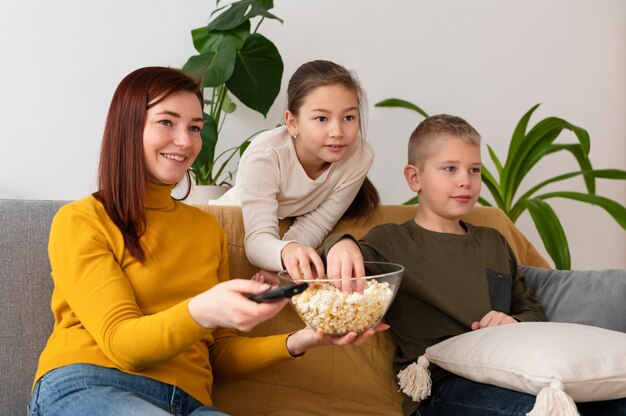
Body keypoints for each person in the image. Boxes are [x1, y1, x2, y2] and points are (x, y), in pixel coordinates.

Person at [27, 66, 386, 416]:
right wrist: (203, 308)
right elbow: (124, 345)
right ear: (128, 126)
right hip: (91, 385)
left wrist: (303, 339)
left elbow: (220, 354)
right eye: (167, 122)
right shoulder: (82, 220)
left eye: (195, 127)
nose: (185, 141)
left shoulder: (206, 229)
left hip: (187, 402)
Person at [321, 114, 626, 415]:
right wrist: (341, 242)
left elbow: (531, 309)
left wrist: (514, 322)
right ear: (415, 178)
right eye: (450, 169)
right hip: (439, 387)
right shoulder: (390, 240)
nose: (465, 181)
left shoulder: (493, 241)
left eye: (475, 169)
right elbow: (331, 258)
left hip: (507, 372)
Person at [218, 60, 379, 282]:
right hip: (231, 232)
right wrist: (285, 252)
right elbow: (257, 239)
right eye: (321, 118)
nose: (337, 131)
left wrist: (284, 265)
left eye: (349, 117)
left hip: (276, 246)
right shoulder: (265, 156)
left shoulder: (360, 157)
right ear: (292, 122)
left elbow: (316, 224)